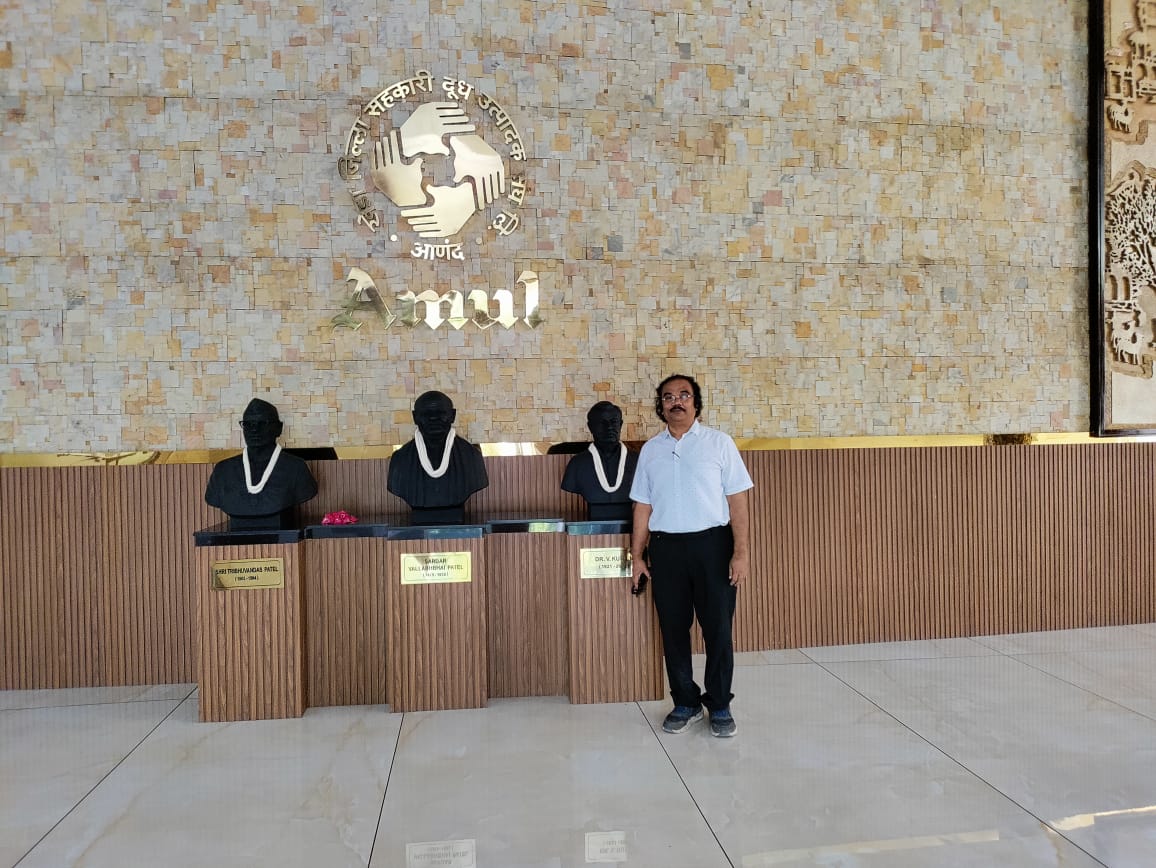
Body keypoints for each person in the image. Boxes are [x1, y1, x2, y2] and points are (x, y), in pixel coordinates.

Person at [629, 375, 753, 738]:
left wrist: (741, 553)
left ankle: (720, 704)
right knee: (673, 630)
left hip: (713, 547)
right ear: (661, 406)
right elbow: (642, 507)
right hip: (666, 549)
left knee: (718, 629)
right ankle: (685, 702)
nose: (676, 401)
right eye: (668, 397)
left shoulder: (719, 443)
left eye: (684, 395)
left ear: (696, 403)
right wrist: (637, 556)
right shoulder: (651, 450)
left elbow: (737, 501)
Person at [204, 399, 318, 530]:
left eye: (262, 423)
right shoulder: (223, 471)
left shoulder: (296, 468)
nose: (254, 430)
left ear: (278, 428)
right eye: (248, 424)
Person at [387, 390, 489, 525]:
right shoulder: (400, 460)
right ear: (415, 417)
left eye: (440, 413)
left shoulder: (472, 457)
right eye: (426, 414)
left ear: (452, 415)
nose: (433, 419)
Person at [560, 401, 639, 522]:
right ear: (590, 427)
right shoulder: (577, 464)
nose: (609, 427)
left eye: (614, 422)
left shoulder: (637, 461)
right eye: (602, 423)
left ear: (621, 424)